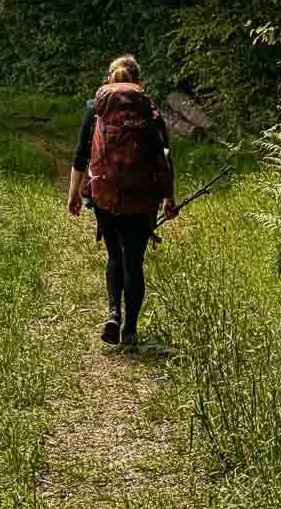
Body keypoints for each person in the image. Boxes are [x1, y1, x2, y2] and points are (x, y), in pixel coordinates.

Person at [67, 55, 177, 345]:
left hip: (105, 195)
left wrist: (74, 195)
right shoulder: (149, 112)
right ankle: (130, 330)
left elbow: (80, 156)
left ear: (108, 80)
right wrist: (169, 197)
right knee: (134, 261)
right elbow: (163, 158)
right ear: (137, 81)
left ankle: (113, 313)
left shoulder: (95, 110)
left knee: (115, 255)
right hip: (141, 199)